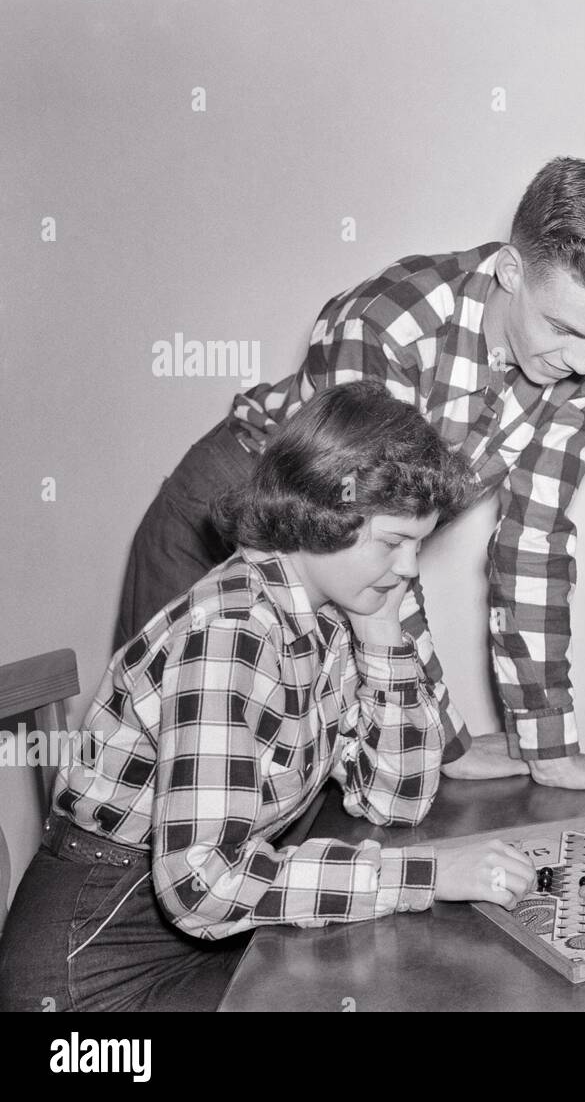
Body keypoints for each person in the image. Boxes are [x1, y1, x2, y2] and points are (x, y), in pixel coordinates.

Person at [114, 157, 585, 791]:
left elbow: (532, 545)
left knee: (292, 794)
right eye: (562, 328)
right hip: (227, 513)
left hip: (348, 549)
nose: (579, 362)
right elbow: (372, 539)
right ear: (511, 271)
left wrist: (547, 742)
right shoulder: (386, 323)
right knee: (161, 776)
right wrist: (447, 739)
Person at [0, 383, 537, 1011]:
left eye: (419, 543)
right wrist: (428, 874)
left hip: (210, 940)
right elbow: (203, 884)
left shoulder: (329, 613)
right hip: (88, 977)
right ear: (319, 515)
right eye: (393, 543)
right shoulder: (231, 633)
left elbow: (398, 799)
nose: (412, 567)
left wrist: (384, 633)